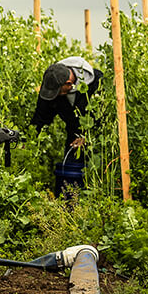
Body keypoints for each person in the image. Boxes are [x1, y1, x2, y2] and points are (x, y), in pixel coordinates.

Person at [32, 57, 103, 196]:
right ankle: (70, 208)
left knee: (95, 177)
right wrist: (30, 139)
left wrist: (88, 137)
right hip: (73, 139)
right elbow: (41, 115)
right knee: (70, 179)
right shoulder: (52, 80)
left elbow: (105, 117)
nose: (55, 95)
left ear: (69, 83)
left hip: (99, 140)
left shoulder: (97, 83)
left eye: (58, 92)